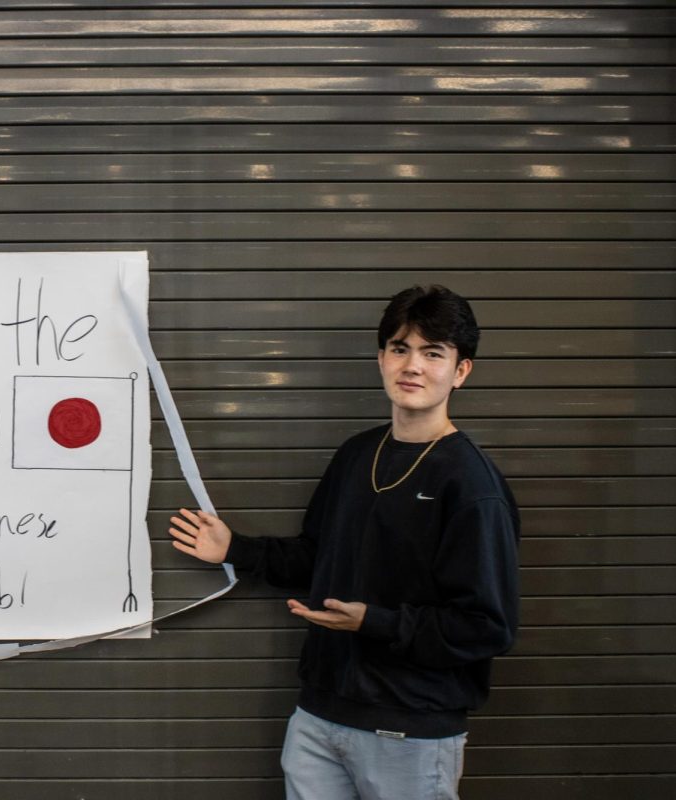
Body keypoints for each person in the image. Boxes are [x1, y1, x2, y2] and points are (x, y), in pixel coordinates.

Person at [169, 285, 519, 800]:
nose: (413, 366)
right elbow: (317, 557)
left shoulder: (472, 485)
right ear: (381, 359)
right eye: (400, 348)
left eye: (433, 353)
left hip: (410, 732)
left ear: (460, 370)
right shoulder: (358, 455)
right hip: (319, 718)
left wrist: (371, 621)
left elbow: (487, 627)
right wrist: (235, 549)